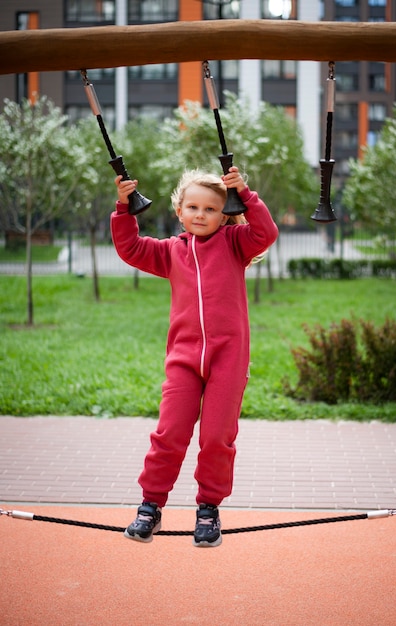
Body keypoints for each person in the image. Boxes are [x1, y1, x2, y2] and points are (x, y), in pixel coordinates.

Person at [111, 166, 278, 547]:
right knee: (169, 434)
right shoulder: (171, 252)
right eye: (193, 207)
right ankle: (150, 506)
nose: (200, 215)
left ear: (225, 214)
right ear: (179, 211)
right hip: (184, 362)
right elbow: (131, 248)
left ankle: (208, 510)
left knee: (218, 437)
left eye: (210, 209)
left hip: (227, 362)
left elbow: (266, 232)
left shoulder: (236, 243)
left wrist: (246, 194)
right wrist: (123, 208)